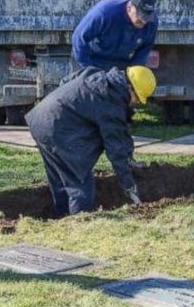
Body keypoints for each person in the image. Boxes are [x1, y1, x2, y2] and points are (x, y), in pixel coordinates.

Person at [25, 64, 156, 215]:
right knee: (80, 187)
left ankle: (62, 222)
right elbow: (116, 149)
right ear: (129, 88)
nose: (136, 103)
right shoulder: (111, 103)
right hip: (59, 131)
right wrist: (129, 186)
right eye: (137, 99)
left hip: (41, 120)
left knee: (60, 181)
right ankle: (80, 224)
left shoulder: (95, 74)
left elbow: (66, 81)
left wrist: (130, 158)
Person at [71, 0, 159, 70]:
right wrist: (88, 69)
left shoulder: (152, 22)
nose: (144, 22)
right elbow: (78, 38)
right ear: (129, 7)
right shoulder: (104, 13)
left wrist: (133, 71)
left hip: (120, 64)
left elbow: (145, 48)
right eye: (140, 18)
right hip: (93, 60)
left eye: (146, 18)